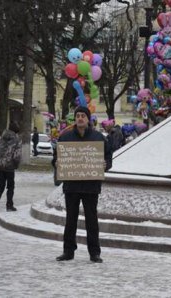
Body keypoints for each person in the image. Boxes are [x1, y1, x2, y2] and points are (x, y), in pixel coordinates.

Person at [55, 106, 112, 263]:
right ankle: (68, 251)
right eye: (78, 116)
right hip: (71, 186)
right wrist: (57, 163)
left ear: (88, 119)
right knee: (70, 219)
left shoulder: (98, 138)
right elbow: (56, 159)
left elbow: (108, 157)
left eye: (83, 116)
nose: (80, 118)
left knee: (91, 220)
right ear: (75, 119)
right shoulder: (65, 138)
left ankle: (94, 252)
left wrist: (105, 165)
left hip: (90, 186)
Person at [0, 121, 22, 216]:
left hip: (1, 167)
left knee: (0, 186)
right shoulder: (16, 140)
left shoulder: (1, 138)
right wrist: (15, 164)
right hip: (10, 168)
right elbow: (17, 155)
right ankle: (9, 205)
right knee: (10, 187)